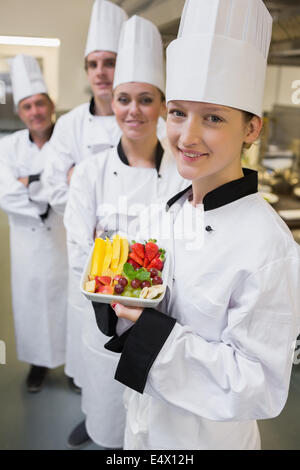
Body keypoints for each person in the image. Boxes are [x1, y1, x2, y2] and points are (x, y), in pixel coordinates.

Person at [99, 0, 300, 450]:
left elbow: (259, 385)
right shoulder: (172, 206)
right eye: (178, 112)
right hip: (145, 426)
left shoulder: (269, 247)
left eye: (213, 118)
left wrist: (150, 335)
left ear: (252, 129)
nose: (187, 137)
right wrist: (116, 299)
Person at [64, 15, 188, 449]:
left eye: (145, 99)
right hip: (103, 315)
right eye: (123, 99)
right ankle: (99, 431)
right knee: (104, 401)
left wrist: (143, 289)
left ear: (161, 105)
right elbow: (81, 249)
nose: (133, 110)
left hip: (164, 318)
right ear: (112, 103)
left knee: (152, 421)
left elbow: (189, 246)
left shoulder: (183, 172)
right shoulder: (91, 174)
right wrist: (120, 295)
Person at [42, 0, 127, 397]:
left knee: (130, 341)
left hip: (137, 255)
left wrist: (83, 179)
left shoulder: (149, 122)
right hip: (85, 252)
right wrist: (85, 199)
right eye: (93, 64)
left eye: (109, 62)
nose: (101, 72)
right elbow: (54, 183)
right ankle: (95, 415)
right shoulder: (71, 124)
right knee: (89, 338)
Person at [0, 55, 68, 393]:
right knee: (30, 304)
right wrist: (48, 188)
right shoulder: (7, 146)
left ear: (51, 104)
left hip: (65, 241)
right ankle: (37, 365)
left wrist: (30, 181)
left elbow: (73, 188)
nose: (35, 111)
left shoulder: (67, 142)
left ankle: (73, 368)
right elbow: (5, 194)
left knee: (67, 304)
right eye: (27, 106)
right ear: (20, 112)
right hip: (26, 245)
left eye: (40, 103)